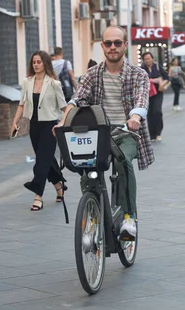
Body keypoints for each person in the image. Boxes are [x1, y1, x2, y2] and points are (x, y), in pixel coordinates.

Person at [55, 25, 153, 240]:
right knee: (86, 167)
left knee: (123, 162)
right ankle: (92, 214)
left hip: (126, 132)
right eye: (108, 43)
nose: (113, 47)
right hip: (98, 134)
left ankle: (128, 217)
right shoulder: (92, 74)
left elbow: (141, 99)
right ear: (102, 46)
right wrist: (63, 121)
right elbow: (77, 99)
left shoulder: (138, 74)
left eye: (117, 43)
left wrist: (135, 117)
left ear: (125, 45)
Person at [12, 51, 67, 211]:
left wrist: (62, 123)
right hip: (34, 126)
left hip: (50, 127)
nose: (36, 64)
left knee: (41, 161)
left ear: (45, 64)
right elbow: (22, 104)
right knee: (47, 160)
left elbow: (65, 107)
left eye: (39, 62)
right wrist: (14, 122)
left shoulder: (54, 84)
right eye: (34, 62)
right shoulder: (27, 82)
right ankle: (59, 185)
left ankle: (38, 195)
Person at [141, 52, 169, 142]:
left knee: (157, 111)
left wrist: (161, 83)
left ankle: (158, 133)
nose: (147, 60)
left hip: (158, 92)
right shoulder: (142, 69)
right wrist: (151, 81)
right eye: (145, 59)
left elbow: (166, 78)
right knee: (149, 114)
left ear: (152, 59)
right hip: (147, 93)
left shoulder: (157, 67)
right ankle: (152, 135)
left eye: (149, 58)